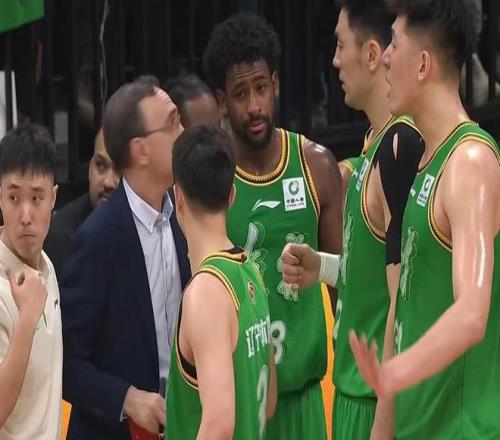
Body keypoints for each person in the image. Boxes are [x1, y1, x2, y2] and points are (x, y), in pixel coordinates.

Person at [349, 1, 500, 438]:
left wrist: (395, 372)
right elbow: (404, 311)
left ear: (422, 65)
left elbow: (471, 314)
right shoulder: (424, 162)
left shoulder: (470, 161)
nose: (385, 58)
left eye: (394, 44)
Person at [281, 1, 424, 438]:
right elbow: (371, 276)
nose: (335, 61)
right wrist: (322, 267)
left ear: (372, 54)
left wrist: (385, 416)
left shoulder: (402, 147)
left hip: (377, 403)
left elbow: (406, 296)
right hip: (351, 396)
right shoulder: (372, 145)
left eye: (341, 46)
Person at [203, 13, 343, 439]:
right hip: (241, 409)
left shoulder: (316, 166)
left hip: (305, 404)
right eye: (240, 94)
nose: (254, 106)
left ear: (276, 83)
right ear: (221, 101)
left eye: (261, 88)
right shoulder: (211, 182)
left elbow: (346, 283)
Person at [61, 76, 191, 439]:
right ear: (140, 150)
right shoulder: (96, 240)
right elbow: (66, 363)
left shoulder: (186, 215)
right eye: (172, 123)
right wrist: (127, 399)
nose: (184, 132)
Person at [166, 126, 277, 439]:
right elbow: (269, 402)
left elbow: (219, 424)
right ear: (232, 196)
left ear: (178, 197)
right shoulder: (251, 270)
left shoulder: (206, 292)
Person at [0, 124, 62, 439]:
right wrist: (27, 319)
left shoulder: (47, 266)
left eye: (37, 198)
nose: (25, 216)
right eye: (14, 197)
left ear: (53, 198)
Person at [44, 128, 120, 277]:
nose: (108, 182)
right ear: (90, 169)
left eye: (119, 169)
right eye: (100, 165)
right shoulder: (62, 237)